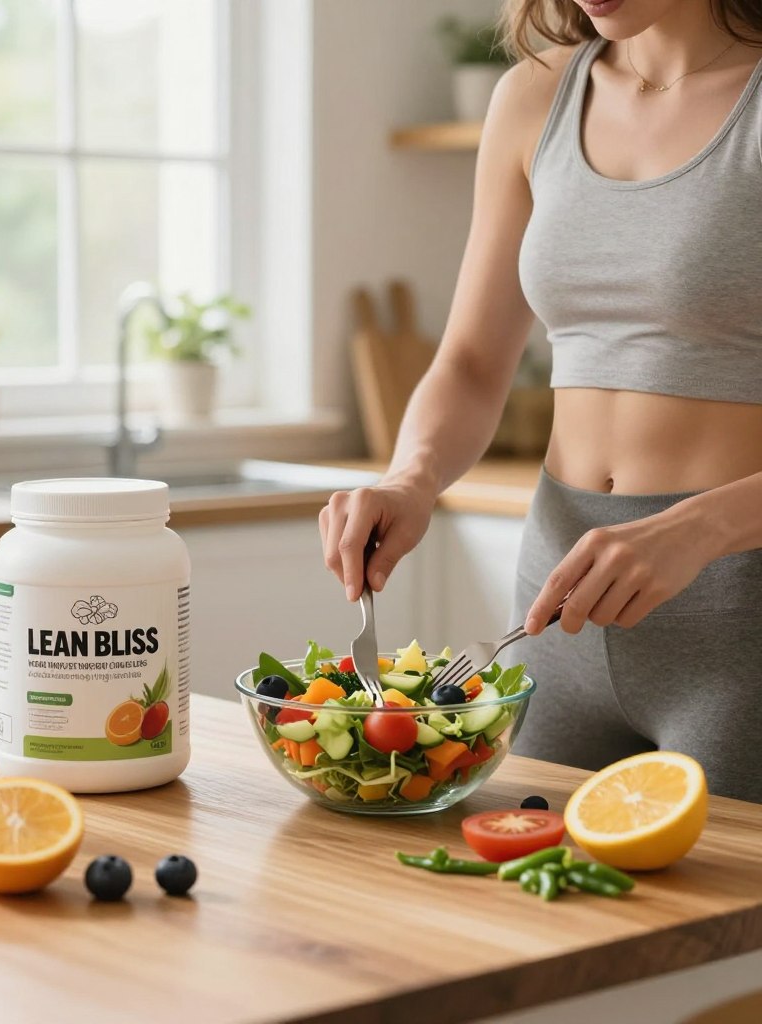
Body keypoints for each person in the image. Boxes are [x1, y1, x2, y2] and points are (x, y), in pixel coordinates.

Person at [318, 0, 762, 802]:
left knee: (729, 922)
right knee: (523, 905)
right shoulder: (535, 96)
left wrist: (700, 526)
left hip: (740, 617)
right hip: (555, 612)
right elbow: (472, 361)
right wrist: (410, 478)